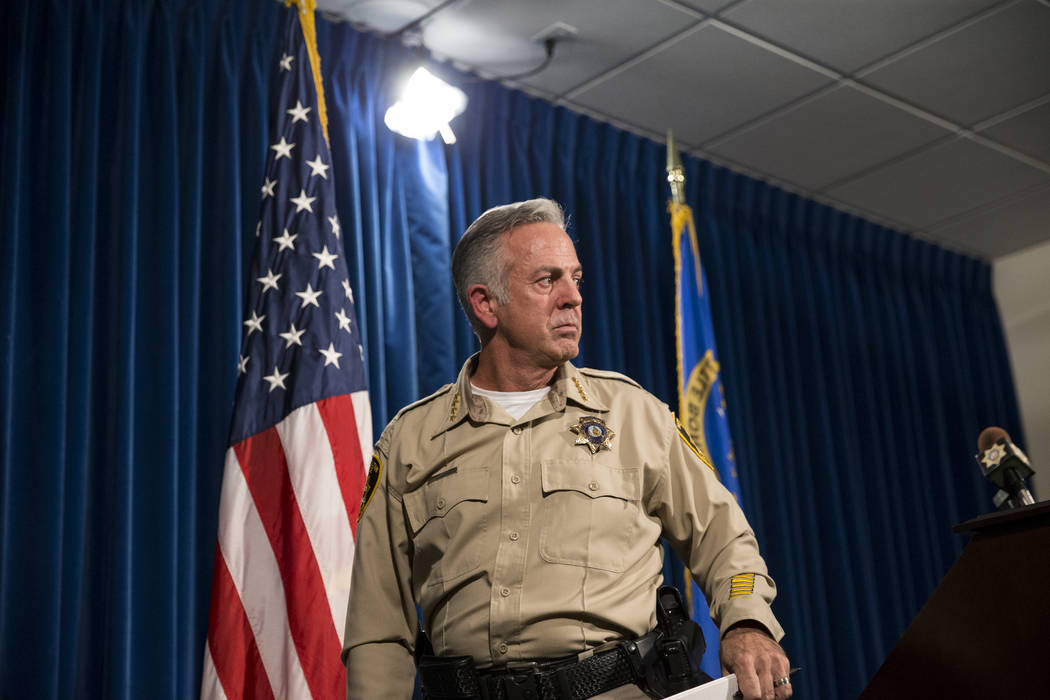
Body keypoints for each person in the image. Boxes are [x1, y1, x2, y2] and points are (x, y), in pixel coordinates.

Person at [343, 198, 792, 700]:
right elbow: (378, 629)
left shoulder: (634, 414)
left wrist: (747, 623)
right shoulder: (409, 441)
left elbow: (725, 541)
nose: (573, 297)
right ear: (486, 304)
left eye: (576, 278)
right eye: (547, 280)